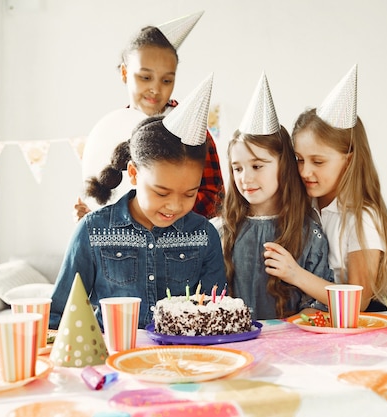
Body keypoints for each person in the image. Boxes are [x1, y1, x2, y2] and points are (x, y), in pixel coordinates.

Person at [52, 76, 224, 330]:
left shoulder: (205, 235)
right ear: (133, 174)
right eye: (162, 193)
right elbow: (59, 316)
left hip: (183, 362)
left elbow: (216, 315)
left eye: (189, 194)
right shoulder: (92, 232)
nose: (175, 206)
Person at [264, 65, 387, 311]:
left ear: (349, 159)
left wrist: (295, 274)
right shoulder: (307, 206)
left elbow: (360, 301)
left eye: (318, 161)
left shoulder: (361, 218)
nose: (304, 172)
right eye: (300, 159)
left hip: (361, 327)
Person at [76, 13, 223, 220]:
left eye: (166, 80)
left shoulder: (191, 130)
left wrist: (164, 209)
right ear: (125, 73)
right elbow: (104, 199)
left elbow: (214, 198)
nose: (155, 89)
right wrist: (91, 216)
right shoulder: (109, 131)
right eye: (145, 77)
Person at [215, 74, 333, 320]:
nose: (245, 178)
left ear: (284, 166)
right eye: (238, 168)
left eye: (257, 166)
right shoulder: (220, 232)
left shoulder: (308, 234)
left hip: (291, 351)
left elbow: (318, 306)